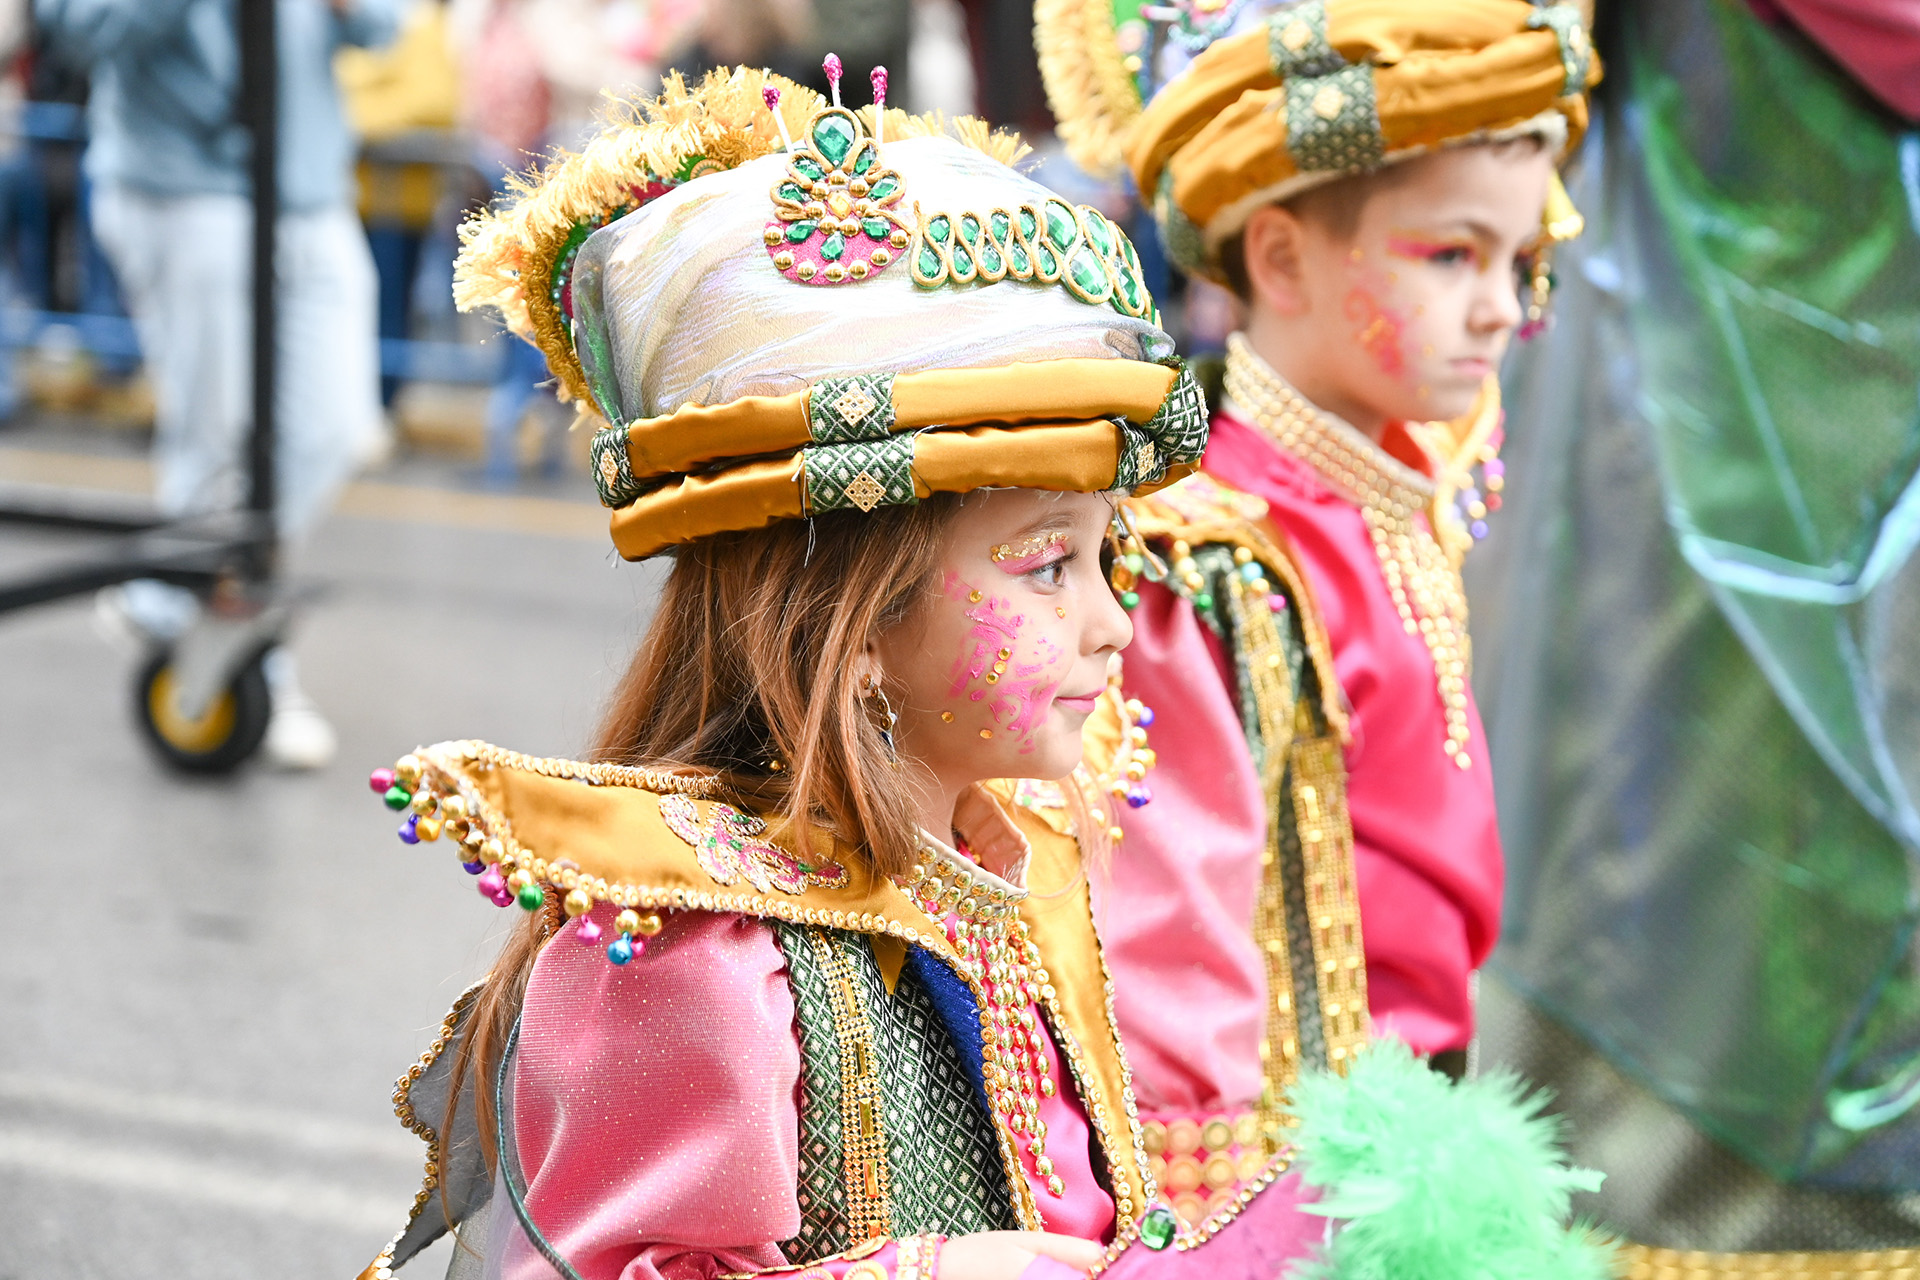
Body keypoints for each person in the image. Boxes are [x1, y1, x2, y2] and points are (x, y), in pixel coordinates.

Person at [355, 64, 1605, 1280]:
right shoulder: (692, 953)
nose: (1114, 624)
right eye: (1047, 564)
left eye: (1105, 558)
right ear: (852, 621)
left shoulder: (1012, 874)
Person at [1035, 0, 1599, 1222]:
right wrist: (1230, 1223)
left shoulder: (1400, 488)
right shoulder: (1203, 558)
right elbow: (1174, 958)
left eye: (1518, 264)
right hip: (1294, 1184)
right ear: (1282, 259)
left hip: (1415, 1141)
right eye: (1451, 256)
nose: (1501, 307)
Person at [37, 0, 399, 769]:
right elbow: (81, 27)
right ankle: (239, 657)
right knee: (220, 444)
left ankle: (171, 596)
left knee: (338, 429)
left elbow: (382, 23)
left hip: (307, 187)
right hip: (183, 185)